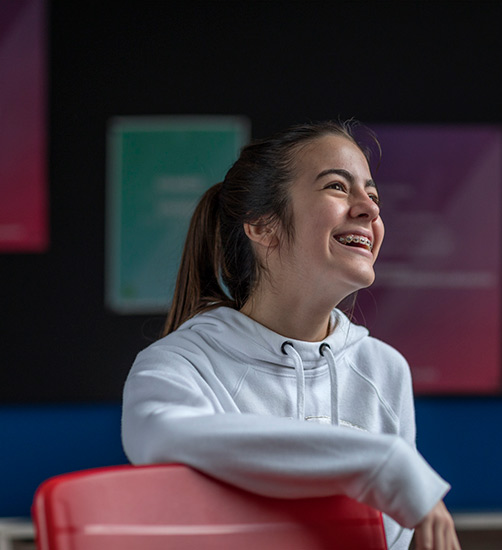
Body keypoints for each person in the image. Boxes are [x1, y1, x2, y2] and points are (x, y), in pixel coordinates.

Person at [121, 120, 461, 550]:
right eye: (338, 187)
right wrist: (381, 464)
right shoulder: (179, 365)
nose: (370, 209)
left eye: (373, 196)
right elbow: (162, 439)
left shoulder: (385, 370)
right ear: (262, 226)